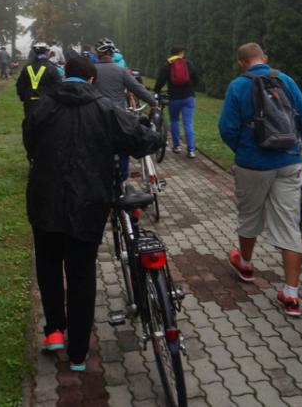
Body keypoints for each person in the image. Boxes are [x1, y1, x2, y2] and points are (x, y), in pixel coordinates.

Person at [23, 55, 161, 371]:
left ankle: (54, 330)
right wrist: (152, 131)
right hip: (88, 203)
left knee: (48, 264)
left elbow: (29, 142)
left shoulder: (43, 106)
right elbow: (139, 140)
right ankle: (78, 352)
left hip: (45, 200)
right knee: (81, 272)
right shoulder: (105, 108)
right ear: (92, 79)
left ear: (64, 75)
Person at [218, 42, 302, 318]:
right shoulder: (286, 80)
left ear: (242, 63)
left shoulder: (238, 86)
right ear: (264, 57)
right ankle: (291, 294)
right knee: (289, 225)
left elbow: (227, 128)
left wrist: (243, 150)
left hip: (252, 164)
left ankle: (246, 264)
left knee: (249, 215)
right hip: (288, 161)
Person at [93, 38, 156, 178]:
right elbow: (137, 88)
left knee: (98, 146)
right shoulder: (121, 70)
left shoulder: (92, 70)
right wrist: (152, 102)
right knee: (123, 145)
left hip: (98, 116)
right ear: (112, 53)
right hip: (119, 116)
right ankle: (123, 175)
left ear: (98, 53)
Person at [154, 45, 199, 158]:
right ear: (181, 53)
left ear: (171, 53)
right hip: (188, 97)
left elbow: (160, 81)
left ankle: (176, 146)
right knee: (188, 123)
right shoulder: (188, 64)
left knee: (174, 121)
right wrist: (191, 88)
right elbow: (196, 78)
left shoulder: (167, 65)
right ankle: (191, 150)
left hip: (174, 98)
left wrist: (157, 90)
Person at [16, 41, 61, 116]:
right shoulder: (52, 68)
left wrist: (24, 97)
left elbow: (20, 85)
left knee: (30, 121)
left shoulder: (27, 67)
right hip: (47, 102)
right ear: (46, 52)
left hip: (30, 101)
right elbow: (58, 87)